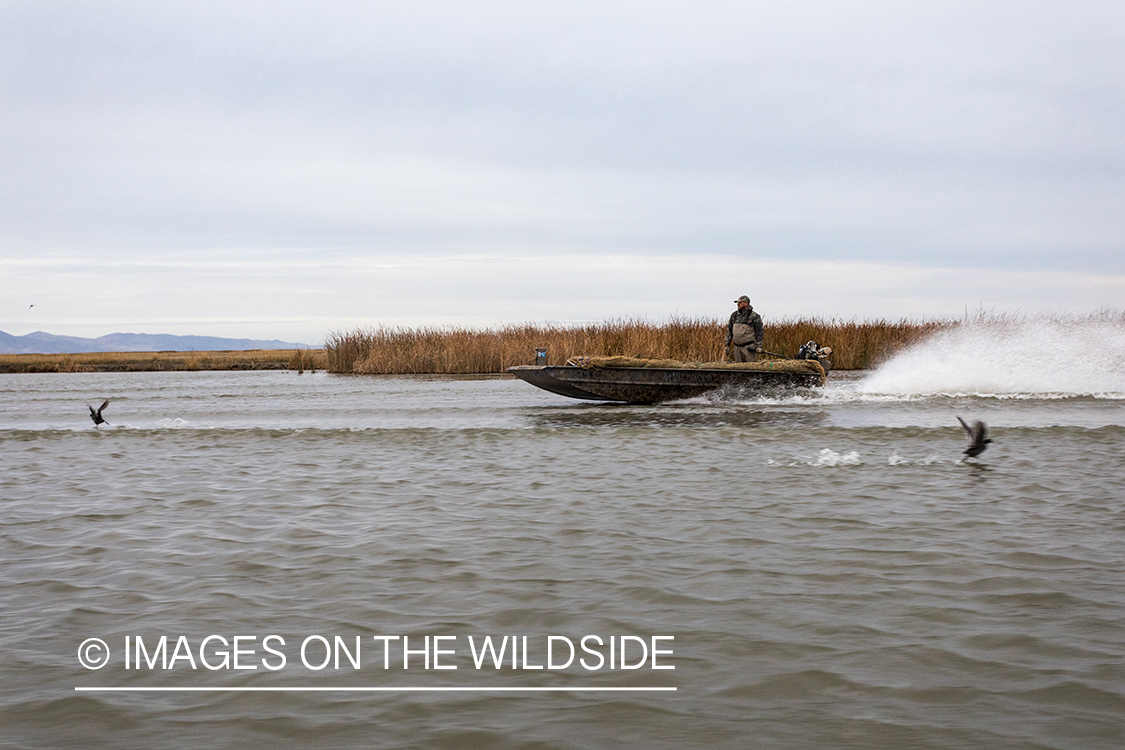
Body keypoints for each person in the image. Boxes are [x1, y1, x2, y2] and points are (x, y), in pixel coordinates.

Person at [725, 295, 763, 362]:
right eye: (738, 303)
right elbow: (729, 330)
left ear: (746, 303)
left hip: (749, 348)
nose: (738, 304)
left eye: (740, 302)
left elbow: (760, 332)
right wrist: (727, 345)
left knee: (751, 369)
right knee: (739, 369)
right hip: (737, 348)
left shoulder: (754, 316)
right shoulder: (734, 315)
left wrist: (759, 346)